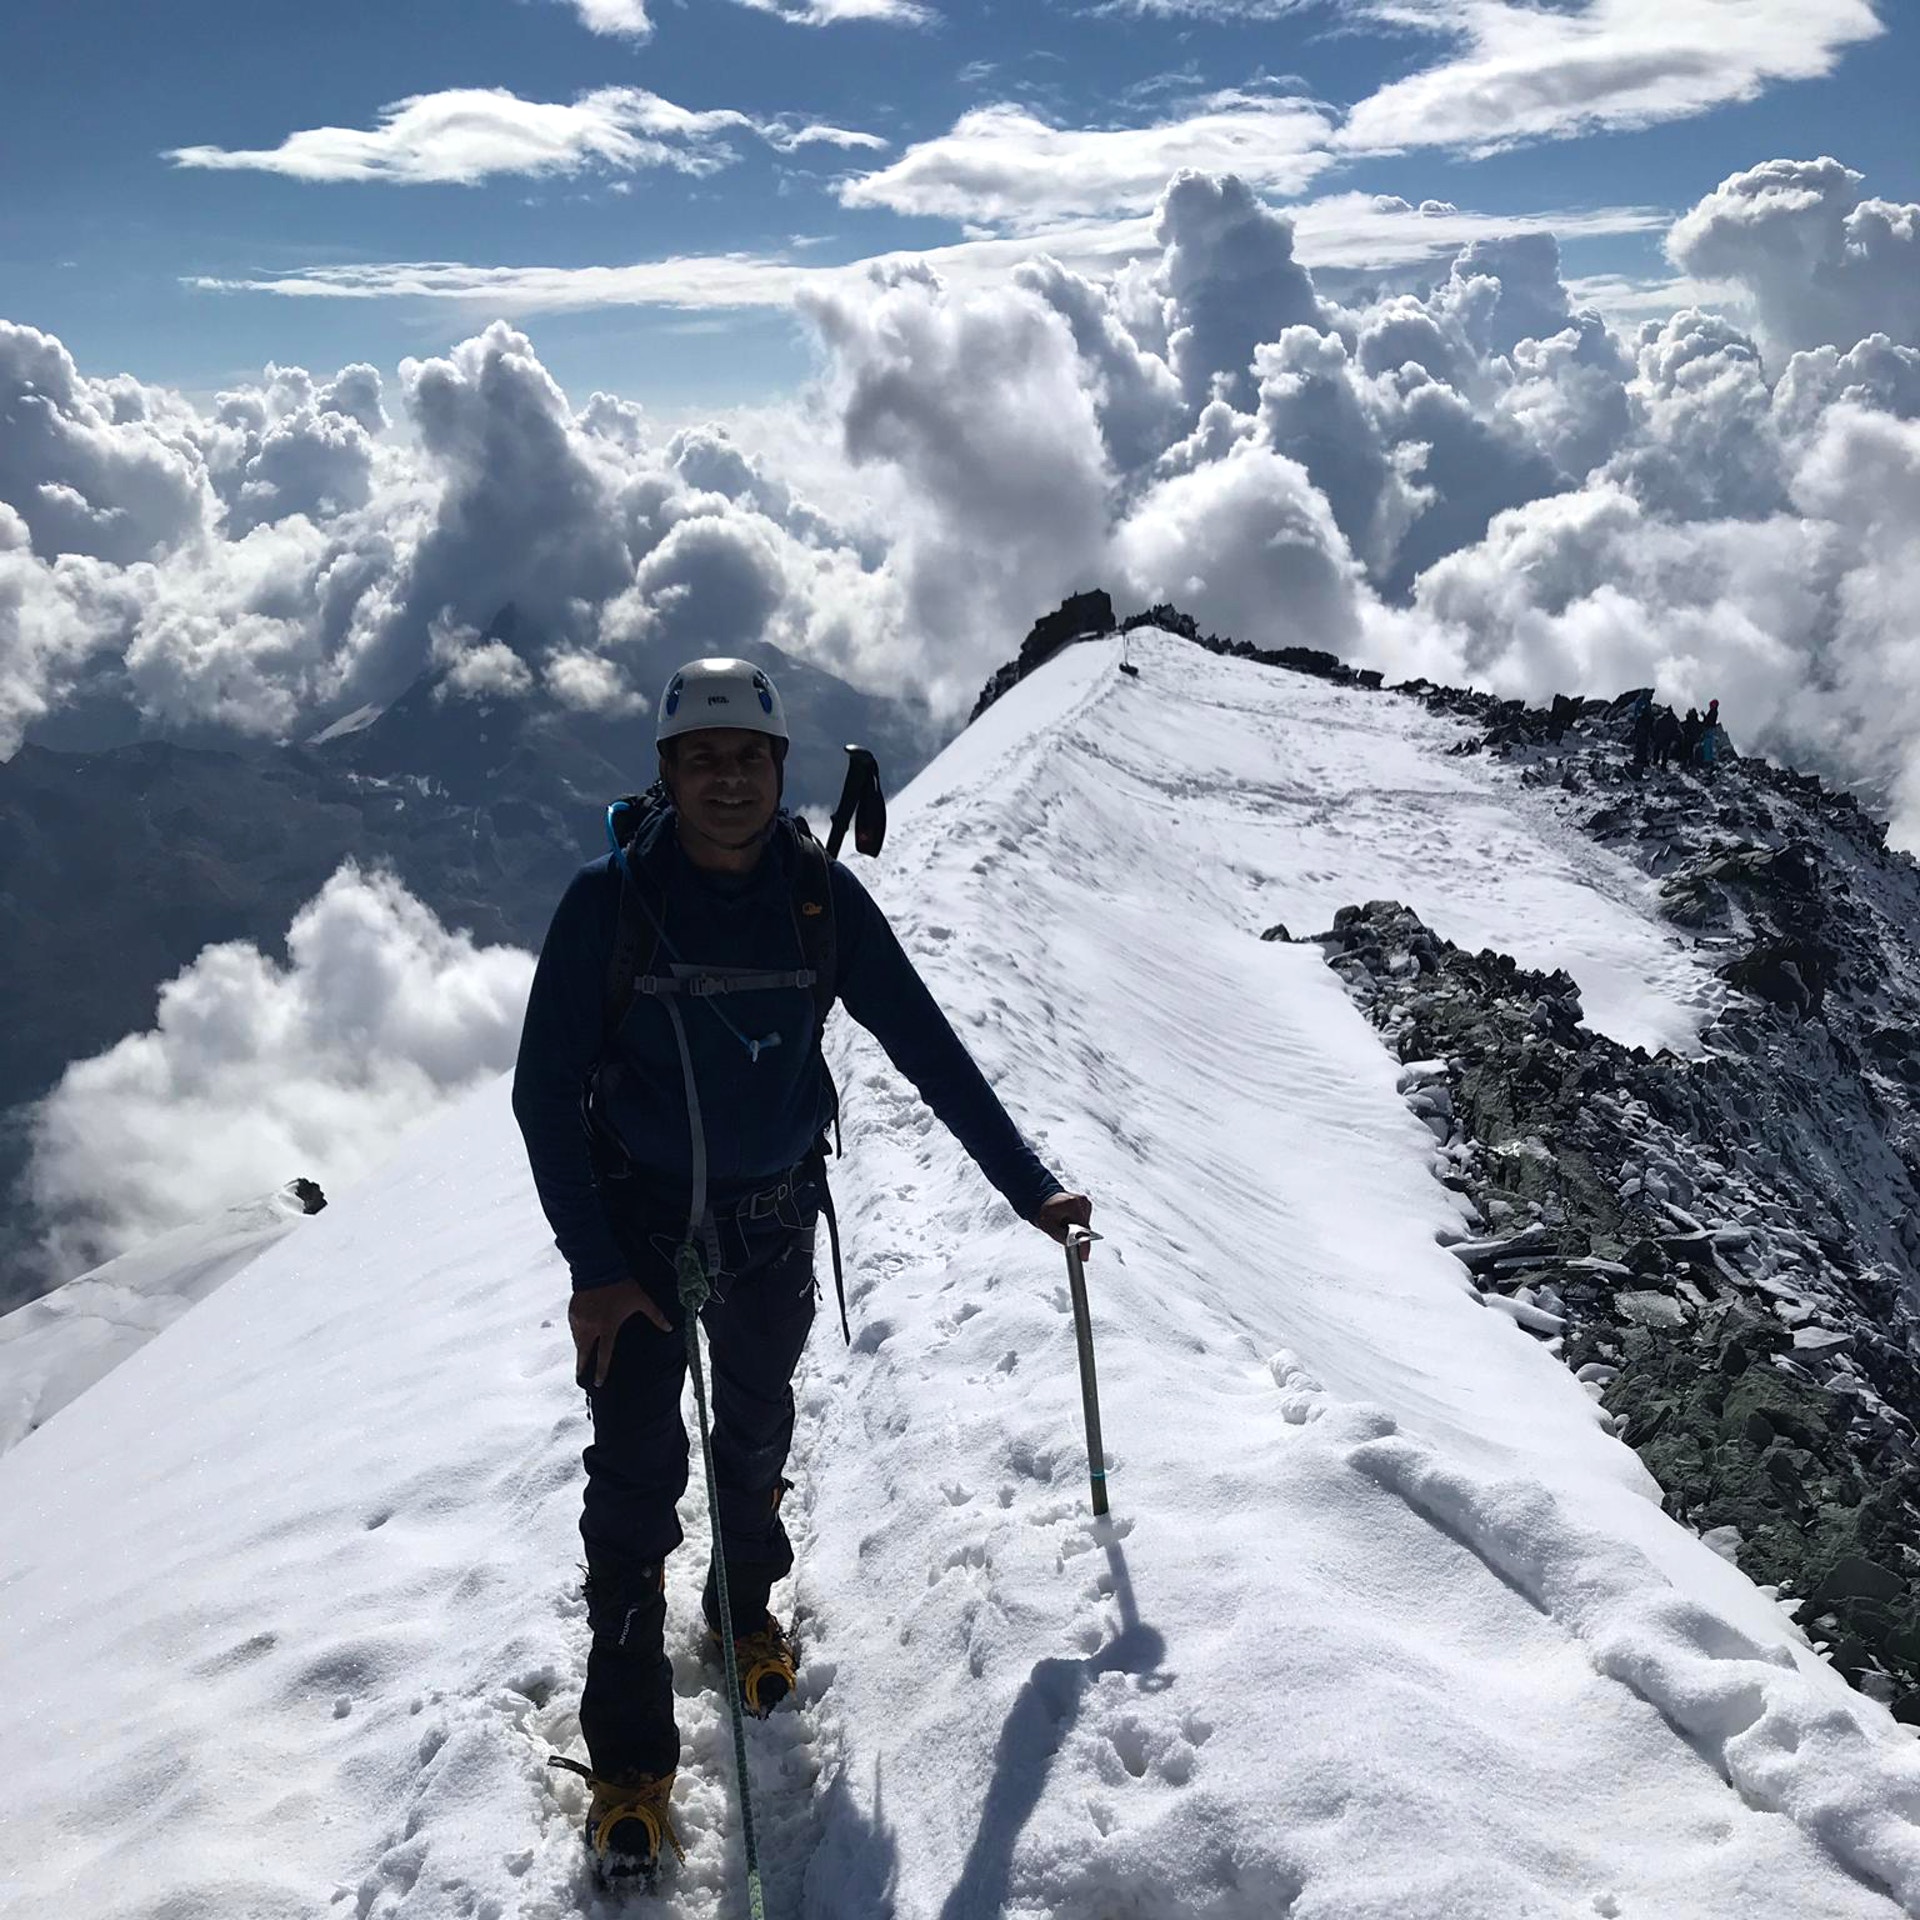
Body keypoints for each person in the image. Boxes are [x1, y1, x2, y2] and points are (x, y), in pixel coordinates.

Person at [511, 657, 1093, 1883]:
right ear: (667, 776)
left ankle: (741, 1612)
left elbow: (929, 1049)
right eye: (703, 758)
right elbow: (544, 1097)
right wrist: (597, 1268)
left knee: (757, 1434)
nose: (729, 778)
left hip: (769, 1219)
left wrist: (1029, 1185)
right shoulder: (605, 906)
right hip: (637, 1235)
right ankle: (629, 1764)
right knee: (631, 1484)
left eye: (750, 756)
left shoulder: (823, 905)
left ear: (782, 770)